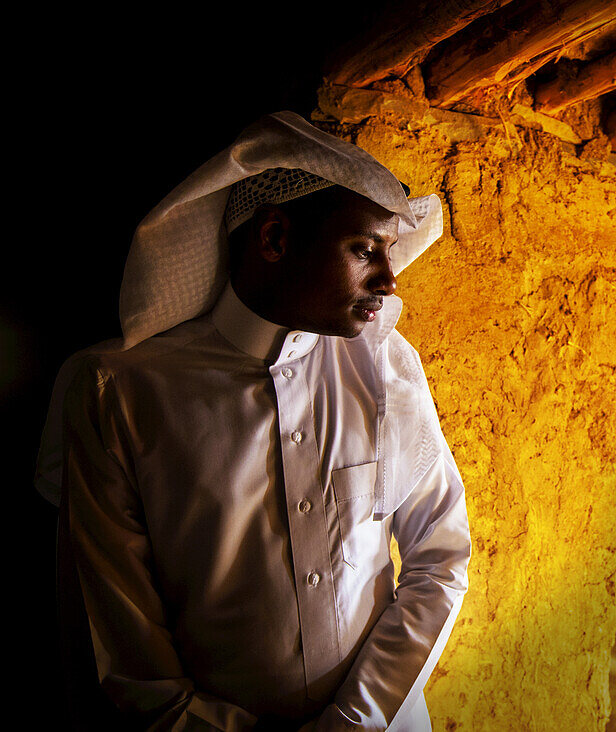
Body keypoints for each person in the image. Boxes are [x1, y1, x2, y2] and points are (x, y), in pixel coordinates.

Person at [36, 111, 471, 731]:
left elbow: (441, 555)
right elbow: (125, 650)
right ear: (274, 239)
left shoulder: (386, 367)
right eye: (364, 249)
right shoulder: (120, 394)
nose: (388, 279)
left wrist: (354, 722)